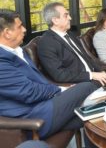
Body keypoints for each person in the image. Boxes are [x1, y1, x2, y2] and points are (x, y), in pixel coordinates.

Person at [0, 9, 98, 144]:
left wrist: (59, 90)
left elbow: (37, 81)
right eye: (20, 26)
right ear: (7, 33)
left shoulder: (17, 50)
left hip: (44, 105)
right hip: (31, 118)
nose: (24, 30)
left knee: (95, 114)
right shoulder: (1, 60)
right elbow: (29, 92)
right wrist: (61, 90)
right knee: (88, 86)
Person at [37, 2, 106, 85]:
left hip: (95, 77)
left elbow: (87, 58)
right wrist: (91, 75)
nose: (70, 18)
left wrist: (102, 72)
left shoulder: (70, 35)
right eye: (66, 15)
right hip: (81, 83)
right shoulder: (46, 43)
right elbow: (60, 75)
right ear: (55, 20)